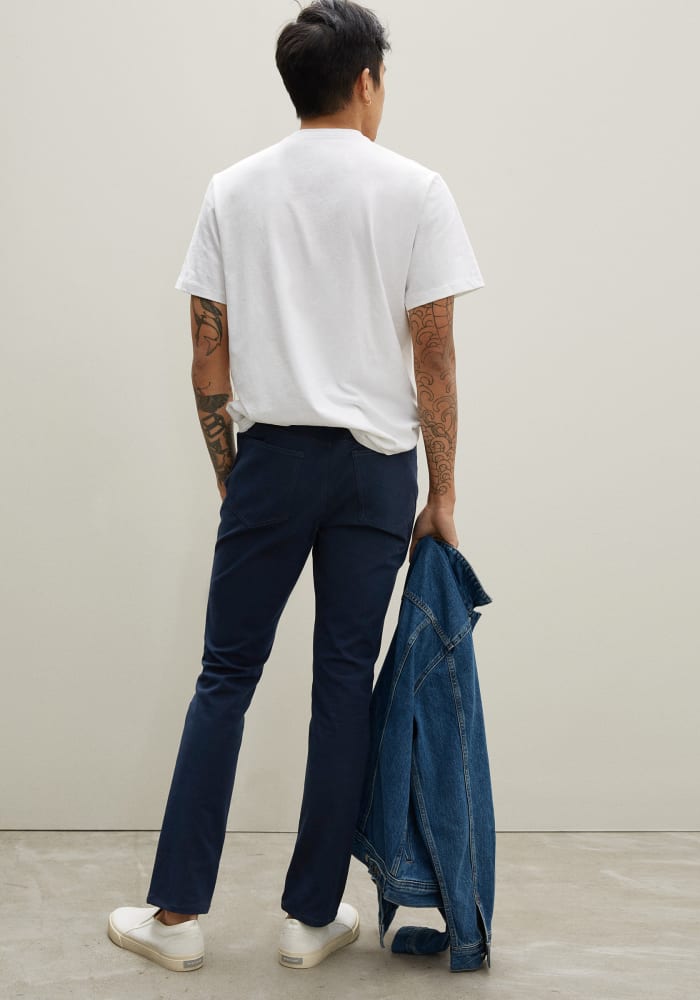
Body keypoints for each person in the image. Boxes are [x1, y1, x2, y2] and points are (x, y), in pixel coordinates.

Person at [106, 0, 485, 973]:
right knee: (342, 684)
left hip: (271, 460)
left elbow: (208, 350)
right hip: (376, 470)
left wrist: (233, 477)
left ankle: (177, 918)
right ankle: (309, 917)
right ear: (366, 81)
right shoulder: (416, 189)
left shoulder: (233, 190)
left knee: (224, 678)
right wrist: (442, 493)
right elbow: (434, 356)